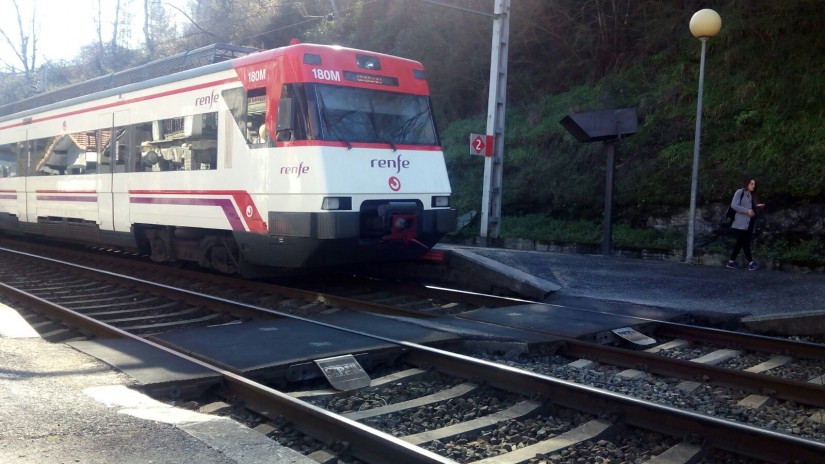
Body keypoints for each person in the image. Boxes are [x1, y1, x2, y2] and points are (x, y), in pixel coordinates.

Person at [726, 178, 765, 270]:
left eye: (754, 184)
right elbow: (734, 205)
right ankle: (751, 263)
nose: (753, 185)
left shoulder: (751, 195)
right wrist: (746, 211)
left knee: (740, 243)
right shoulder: (740, 192)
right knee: (745, 242)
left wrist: (757, 207)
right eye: (751, 183)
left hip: (749, 223)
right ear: (747, 184)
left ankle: (730, 262)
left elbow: (750, 208)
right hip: (741, 223)